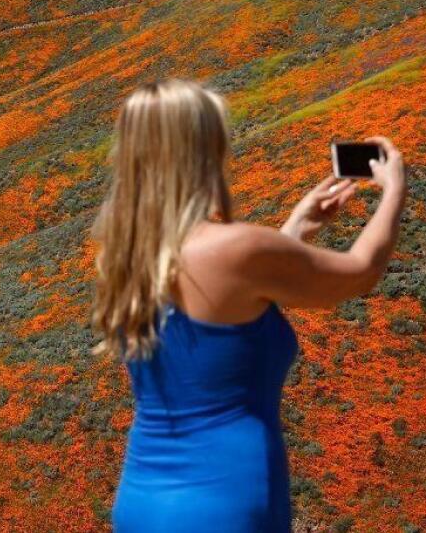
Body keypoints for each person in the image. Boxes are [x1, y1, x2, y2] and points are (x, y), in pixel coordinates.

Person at [89, 78, 406, 532]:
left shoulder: (131, 257)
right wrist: (393, 189)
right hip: (225, 504)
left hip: (143, 502)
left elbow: (224, 305)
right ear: (203, 152)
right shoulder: (237, 250)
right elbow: (360, 271)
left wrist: (294, 228)